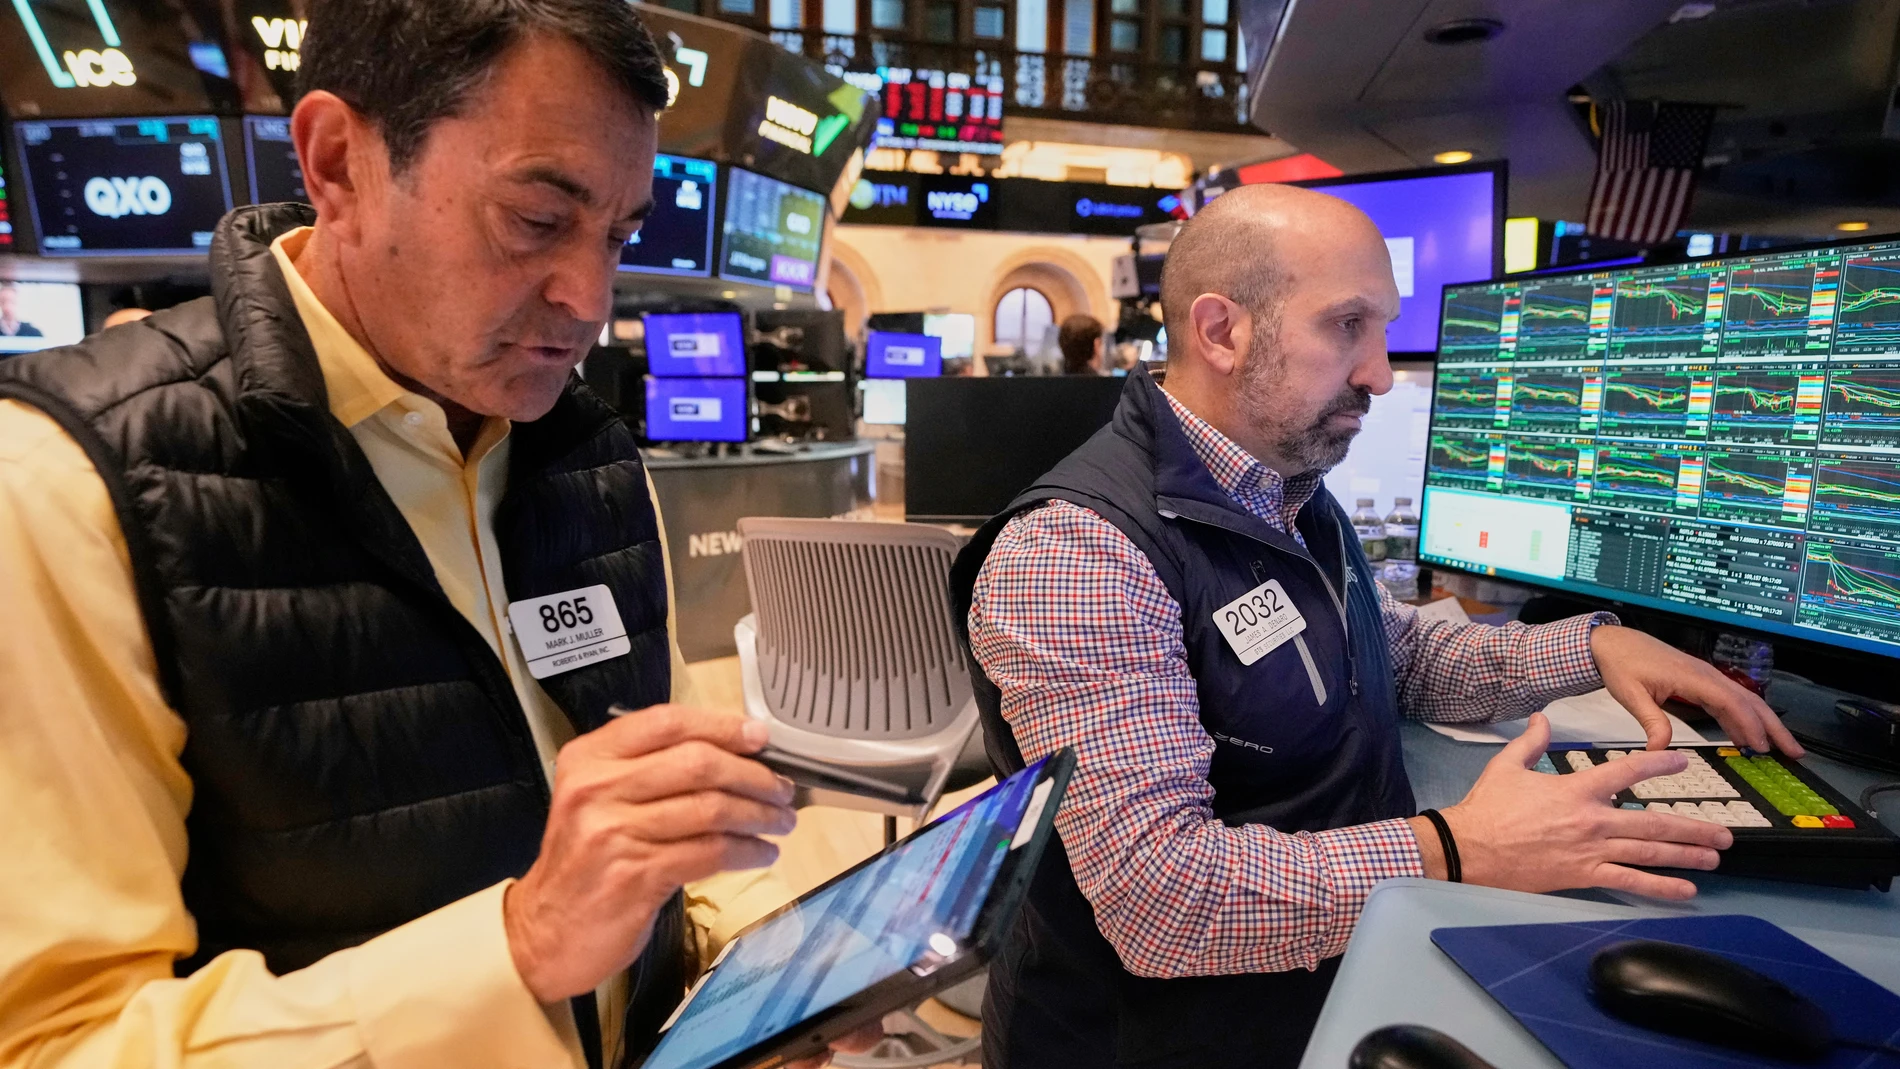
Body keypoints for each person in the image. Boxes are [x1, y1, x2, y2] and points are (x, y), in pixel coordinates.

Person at [0, 2, 869, 1068]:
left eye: (619, 235)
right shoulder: (63, 487)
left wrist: (762, 972)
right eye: (538, 220)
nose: (588, 299)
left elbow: (666, 838)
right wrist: (517, 946)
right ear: (337, 161)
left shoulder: (585, 456)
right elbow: (57, 1043)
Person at [948, 183, 1803, 1069]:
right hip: (1169, 1038)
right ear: (1220, 331)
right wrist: (1458, 846)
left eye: (1383, 329)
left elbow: (1394, 655)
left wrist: (1591, 644)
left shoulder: (1283, 492)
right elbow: (1163, 900)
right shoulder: (1078, 555)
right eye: (1347, 325)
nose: (1382, 372)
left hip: (1326, 983)